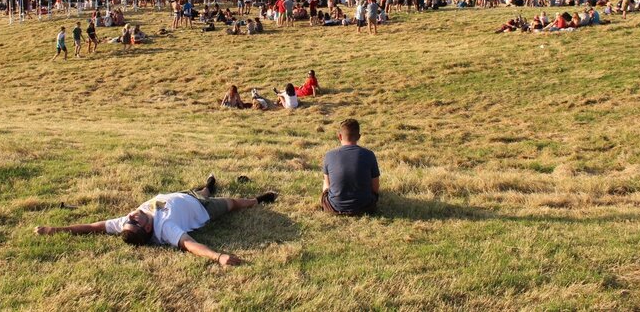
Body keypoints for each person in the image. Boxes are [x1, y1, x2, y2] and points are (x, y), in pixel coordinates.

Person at [34, 175, 277, 267]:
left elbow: (93, 227)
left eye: (129, 218)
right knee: (233, 202)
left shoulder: (128, 223)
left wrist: (55, 229)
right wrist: (219, 256)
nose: (130, 215)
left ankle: (207, 186)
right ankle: (257, 200)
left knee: (202, 190)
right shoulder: (165, 229)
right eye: (134, 220)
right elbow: (191, 245)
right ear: (147, 228)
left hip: (180, 194)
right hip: (203, 209)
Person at [321, 119, 380, 216]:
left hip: (334, 207)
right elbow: (375, 188)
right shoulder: (369, 155)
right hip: (366, 208)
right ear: (359, 137)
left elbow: (327, 186)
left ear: (339, 136)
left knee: (325, 181)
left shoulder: (329, 155)